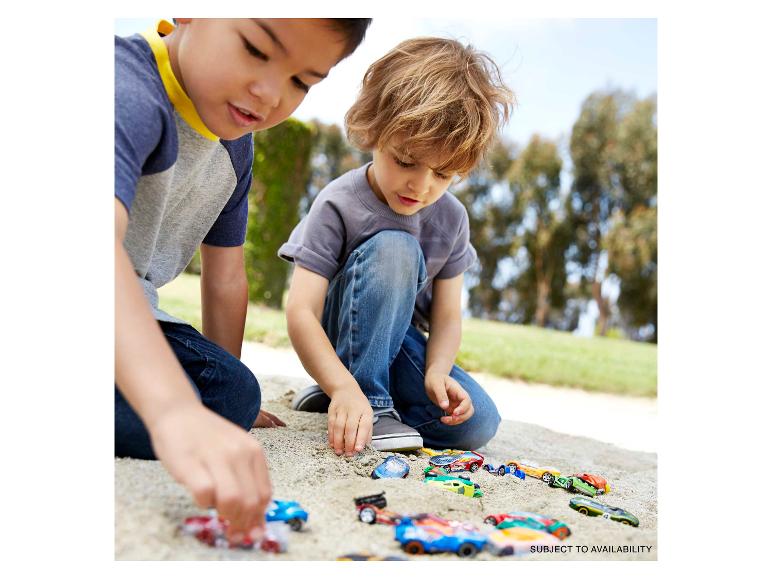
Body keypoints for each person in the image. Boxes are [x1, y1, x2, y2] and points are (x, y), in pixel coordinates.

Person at [115, 18, 372, 541]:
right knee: (182, 406)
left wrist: (217, 391)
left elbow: (226, 275)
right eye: (255, 49)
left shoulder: (234, 146)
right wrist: (171, 412)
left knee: (233, 393)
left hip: (128, 314)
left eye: (302, 81)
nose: (270, 94)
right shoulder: (127, 89)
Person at [279, 37, 515, 457]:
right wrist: (343, 384)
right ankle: (362, 398)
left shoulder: (452, 219)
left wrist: (438, 371)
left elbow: (445, 317)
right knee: (395, 247)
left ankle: (352, 403)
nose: (421, 186)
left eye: (442, 174)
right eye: (405, 161)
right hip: (336, 330)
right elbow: (300, 311)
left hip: (396, 340)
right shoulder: (339, 202)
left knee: (477, 423)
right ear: (373, 132)